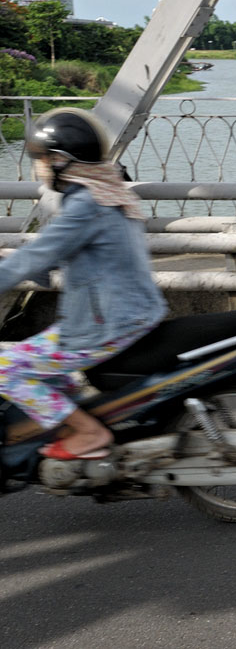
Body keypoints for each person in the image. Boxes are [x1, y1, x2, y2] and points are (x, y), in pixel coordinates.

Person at [0, 108, 167, 460]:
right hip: (131, 312)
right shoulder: (106, 191)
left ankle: (88, 432)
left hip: (107, 323)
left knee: (4, 368)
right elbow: (67, 250)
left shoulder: (86, 205)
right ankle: (64, 423)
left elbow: (42, 253)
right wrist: (16, 260)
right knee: (35, 358)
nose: (37, 167)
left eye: (41, 158)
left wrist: (18, 266)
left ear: (61, 160)